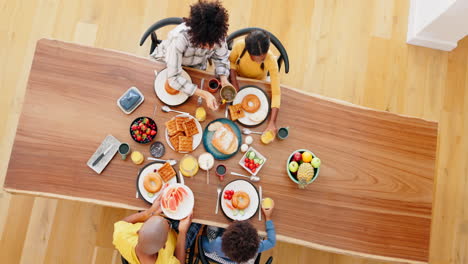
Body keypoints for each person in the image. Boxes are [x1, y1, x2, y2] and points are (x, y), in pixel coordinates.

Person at [151, 0, 234, 111]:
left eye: (212, 44)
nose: (210, 48)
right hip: (166, 63)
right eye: (205, 44)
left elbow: (221, 57)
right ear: (196, 36)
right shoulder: (180, 38)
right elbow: (173, 79)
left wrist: (224, 79)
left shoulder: (217, 35)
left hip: (196, 67)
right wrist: (204, 94)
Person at [113, 194, 198, 264]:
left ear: (139, 231)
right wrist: (182, 232)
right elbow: (180, 262)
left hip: (153, 217)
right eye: (168, 225)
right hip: (177, 237)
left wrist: (150, 212)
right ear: (164, 246)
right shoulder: (167, 262)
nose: (165, 218)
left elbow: (123, 222)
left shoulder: (120, 235)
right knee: (197, 213)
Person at [229, 30, 281, 137]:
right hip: (238, 78)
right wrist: (235, 83)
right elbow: (231, 62)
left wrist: (272, 122)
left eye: (262, 59)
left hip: (259, 82)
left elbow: (276, 93)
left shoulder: (271, 60)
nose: (258, 62)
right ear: (248, 51)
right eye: (255, 59)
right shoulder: (240, 45)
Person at [201, 200, 276, 263]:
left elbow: (206, 246)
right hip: (239, 261)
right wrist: (268, 217)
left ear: (225, 235)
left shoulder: (218, 242)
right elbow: (272, 242)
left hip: (220, 256)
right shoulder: (256, 247)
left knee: (211, 228)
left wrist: (203, 236)